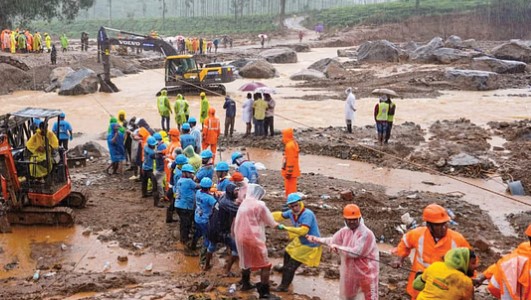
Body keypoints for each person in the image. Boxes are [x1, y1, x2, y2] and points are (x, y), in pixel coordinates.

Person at [391, 203, 472, 299]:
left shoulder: (457, 240)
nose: (443, 228)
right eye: (439, 225)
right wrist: (400, 259)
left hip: (444, 289)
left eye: (445, 224)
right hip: (420, 283)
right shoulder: (418, 234)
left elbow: (470, 262)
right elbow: (405, 243)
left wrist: (470, 281)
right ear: (429, 226)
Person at [307, 204, 379, 300]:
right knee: (348, 297)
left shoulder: (366, 234)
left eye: (354, 219)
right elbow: (332, 241)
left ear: (359, 218)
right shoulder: (345, 231)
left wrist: (338, 248)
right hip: (350, 273)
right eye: (349, 220)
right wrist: (316, 239)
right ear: (345, 220)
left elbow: (356, 252)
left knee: (369, 297)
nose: (352, 222)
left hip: (366, 274)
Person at [233, 184, 280, 299]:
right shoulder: (260, 205)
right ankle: (264, 293)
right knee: (265, 265)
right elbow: (271, 222)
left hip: (239, 236)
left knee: (245, 260)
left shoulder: (244, 203)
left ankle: (246, 284)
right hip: (253, 238)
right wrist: (279, 226)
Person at [272, 193, 322, 292]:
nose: (295, 208)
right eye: (292, 206)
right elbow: (280, 215)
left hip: (310, 244)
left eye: (296, 205)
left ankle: (284, 286)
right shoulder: (291, 213)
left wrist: (285, 227)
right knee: (287, 252)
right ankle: (284, 270)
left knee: (291, 266)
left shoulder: (307, 214)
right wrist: (265, 214)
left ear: (300, 203)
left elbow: (303, 231)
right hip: (300, 240)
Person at [474, 224, 531, 299]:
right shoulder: (524, 250)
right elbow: (504, 264)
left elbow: (503, 264)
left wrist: (483, 276)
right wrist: (484, 276)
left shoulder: (523, 249)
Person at [207, 183, 240, 276]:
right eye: (235, 191)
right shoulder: (227, 203)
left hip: (212, 226)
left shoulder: (223, 197)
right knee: (236, 248)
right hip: (221, 230)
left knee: (212, 246)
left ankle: (206, 266)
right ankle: (227, 270)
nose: (237, 192)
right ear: (230, 192)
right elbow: (240, 211)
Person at [193, 177, 218, 270]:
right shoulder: (209, 198)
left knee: (198, 233)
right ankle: (203, 260)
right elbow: (217, 206)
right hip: (205, 220)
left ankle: (192, 245)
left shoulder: (198, 192)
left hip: (197, 217)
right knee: (207, 240)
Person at [174, 164, 197, 248]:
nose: (191, 175)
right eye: (190, 173)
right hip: (185, 206)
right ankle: (184, 240)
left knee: (183, 223)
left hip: (178, 205)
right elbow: (197, 186)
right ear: (185, 173)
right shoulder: (189, 181)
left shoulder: (180, 180)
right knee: (186, 223)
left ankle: (183, 237)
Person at [166, 154, 188, 223]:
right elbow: (178, 185)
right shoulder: (179, 174)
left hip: (172, 188)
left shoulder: (176, 168)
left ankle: (169, 218)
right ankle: (169, 219)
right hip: (175, 191)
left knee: (172, 205)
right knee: (173, 205)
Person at [281, 128, 300, 197]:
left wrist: (288, 172)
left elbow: (290, 160)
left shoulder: (289, 146)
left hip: (291, 172)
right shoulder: (293, 143)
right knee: (292, 189)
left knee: (290, 190)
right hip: (294, 171)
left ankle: (290, 203)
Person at [142, 136, 159, 203]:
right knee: (154, 184)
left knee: (144, 182)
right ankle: (156, 201)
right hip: (150, 169)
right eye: (153, 145)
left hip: (144, 167)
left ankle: (144, 193)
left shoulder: (145, 147)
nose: (154, 146)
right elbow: (156, 157)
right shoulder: (151, 152)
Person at [153, 132, 167, 207]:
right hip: (159, 167)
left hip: (162, 167)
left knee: (158, 182)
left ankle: (161, 195)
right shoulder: (159, 146)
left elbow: (162, 156)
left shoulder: (162, 147)